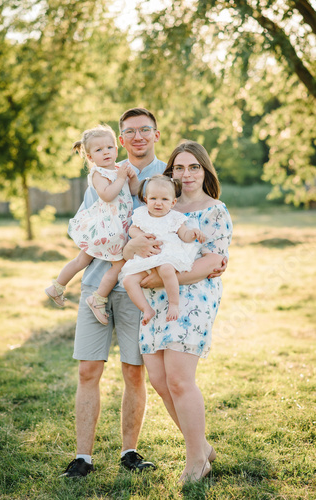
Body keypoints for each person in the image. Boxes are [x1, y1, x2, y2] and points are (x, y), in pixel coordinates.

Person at [59, 108, 228, 478]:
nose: (137, 137)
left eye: (145, 130)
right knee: (88, 370)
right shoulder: (106, 172)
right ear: (121, 139)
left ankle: (130, 452)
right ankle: (83, 457)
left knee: (137, 373)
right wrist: (120, 249)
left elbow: (187, 224)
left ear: (155, 134)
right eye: (130, 132)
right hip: (99, 281)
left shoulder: (169, 175)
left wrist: (208, 260)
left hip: (145, 290)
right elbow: (90, 227)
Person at [123, 140, 232, 483]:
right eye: (179, 168)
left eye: (194, 167)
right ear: (170, 174)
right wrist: (134, 252)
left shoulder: (214, 210)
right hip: (152, 303)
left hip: (192, 299)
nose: (187, 174)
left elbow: (213, 261)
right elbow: (129, 249)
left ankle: (196, 460)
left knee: (180, 380)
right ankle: (202, 446)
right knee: (158, 379)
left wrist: (156, 279)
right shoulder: (157, 209)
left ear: (205, 170)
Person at [45, 125, 138, 325]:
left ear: (116, 148)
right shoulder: (98, 174)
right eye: (98, 150)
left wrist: (132, 177)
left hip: (113, 226)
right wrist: (121, 177)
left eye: (109, 147)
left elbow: (134, 190)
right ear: (89, 157)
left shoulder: (119, 169)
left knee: (82, 260)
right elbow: (107, 194)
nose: (106, 152)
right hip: (108, 227)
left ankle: (57, 286)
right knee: (118, 264)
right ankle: (97, 299)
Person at [120, 175, 206, 325]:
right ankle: (146, 309)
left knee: (166, 270)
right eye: (153, 198)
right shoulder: (141, 215)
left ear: (173, 202)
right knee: (128, 280)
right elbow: (132, 229)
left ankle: (174, 304)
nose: (158, 203)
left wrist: (193, 234)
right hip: (146, 258)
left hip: (166, 255)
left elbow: (184, 235)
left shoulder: (175, 218)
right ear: (146, 199)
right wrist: (141, 236)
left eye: (164, 200)